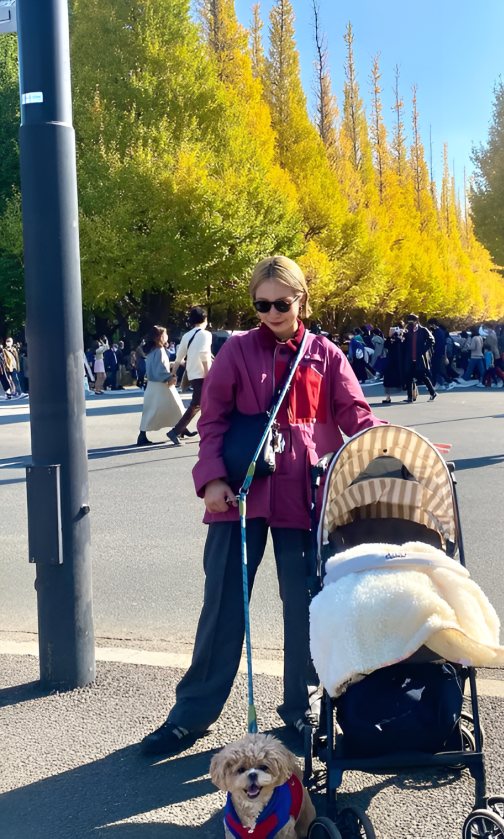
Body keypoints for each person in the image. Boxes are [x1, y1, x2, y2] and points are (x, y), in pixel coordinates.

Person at [141, 255, 384, 755]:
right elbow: (212, 419)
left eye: (281, 304)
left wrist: (394, 446)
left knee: (306, 606)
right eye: (261, 304)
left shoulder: (325, 354)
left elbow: (357, 417)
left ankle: (303, 709)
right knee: (222, 606)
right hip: (239, 491)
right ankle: (191, 714)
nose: (271, 313)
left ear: (301, 300)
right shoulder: (236, 350)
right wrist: (210, 479)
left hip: (305, 493)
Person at [167, 306, 213, 445]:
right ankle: (176, 431)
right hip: (203, 374)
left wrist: (173, 373)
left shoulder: (187, 335)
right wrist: (209, 375)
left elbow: (179, 357)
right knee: (197, 404)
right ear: (204, 319)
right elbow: (204, 355)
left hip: (192, 373)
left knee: (202, 404)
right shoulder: (206, 334)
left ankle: (183, 430)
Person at [136, 327, 185, 445]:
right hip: (161, 385)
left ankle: (142, 435)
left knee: (150, 411)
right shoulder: (160, 350)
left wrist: (172, 365)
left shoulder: (152, 350)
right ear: (159, 337)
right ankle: (180, 430)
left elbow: (157, 367)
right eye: (165, 334)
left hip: (152, 385)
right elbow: (161, 369)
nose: (167, 336)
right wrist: (170, 377)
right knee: (176, 407)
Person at [402, 314, 436, 402]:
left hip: (419, 357)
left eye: (412, 321)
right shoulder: (407, 331)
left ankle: (432, 392)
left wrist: (424, 349)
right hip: (409, 357)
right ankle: (410, 397)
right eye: (409, 321)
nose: (410, 323)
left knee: (423, 376)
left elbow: (432, 340)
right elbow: (403, 342)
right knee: (408, 377)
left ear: (416, 321)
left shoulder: (423, 330)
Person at [382, 323, 405, 403]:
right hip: (391, 363)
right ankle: (387, 397)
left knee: (406, 379)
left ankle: (412, 395)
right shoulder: (390, 341)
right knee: (387, 380)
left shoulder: (402, 339)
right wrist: (389, 337)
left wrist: (399, 336)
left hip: (400, 362)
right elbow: (386, 346)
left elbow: (402, 345)